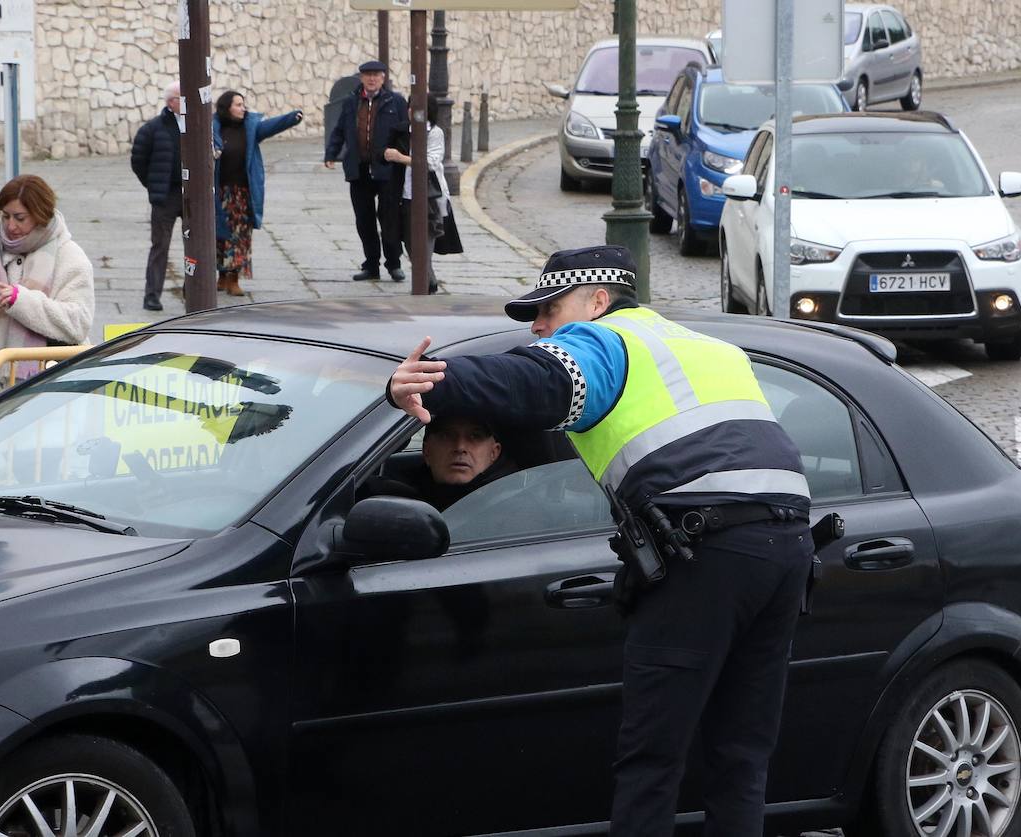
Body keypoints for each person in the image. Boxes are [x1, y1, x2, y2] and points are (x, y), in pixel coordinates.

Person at [388, 245, 815, 837]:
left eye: (548, 311)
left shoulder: (608, 340)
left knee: (651, 758)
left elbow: (535, 382)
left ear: (597, 301)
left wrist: (431, 382)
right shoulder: (708, 348)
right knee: (740, 755)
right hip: (788, 544)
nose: (538, 328)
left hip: (705, 549)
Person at [0, 175, 94, 412]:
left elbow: (78, 322)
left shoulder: (71, 257)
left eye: (20, 218)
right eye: (5, 216)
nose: (10, 226)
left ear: (40, 216)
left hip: (46, 388)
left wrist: (20, 300)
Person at [324, 60, 411, 283]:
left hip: (387, 170)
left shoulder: (396, 102)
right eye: (367, 75)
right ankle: (371, 264)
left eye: (376, 75)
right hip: (359, 168)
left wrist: (402, 156)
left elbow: (405, 133)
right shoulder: (351, 102)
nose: (372, 79)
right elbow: (340, 130)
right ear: (361, 78)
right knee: (364, 220)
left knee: (389, 219)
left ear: (383, 78)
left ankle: (394, 264)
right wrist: (331, 153)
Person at [211, 89, 303, 297]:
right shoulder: (214, 127)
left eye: (243, 104)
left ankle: (234, 277)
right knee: (220, 235)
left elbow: (270, 127)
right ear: (227, 108)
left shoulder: (250, 127)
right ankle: (222, 275)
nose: (242, 108)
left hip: (243, 193)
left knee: (240, 236)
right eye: (238, 105)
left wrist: (291, 118)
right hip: (221, 193)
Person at [384, 98, 459, 294]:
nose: (412, 111)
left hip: (430, 197)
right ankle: (430, 280)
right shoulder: (401, 130)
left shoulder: (435, 132)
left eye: (418, 108)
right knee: (409, 243)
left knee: (424, 244)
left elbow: (432, 162)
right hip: (405, 194)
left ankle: (422, 286)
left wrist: (401, 158)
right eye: (411, 107)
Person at [129, 80, 182, 312]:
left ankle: (194, 289)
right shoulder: (153, 128)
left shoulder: (198, 123)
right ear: (172, 102)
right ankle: (152, 295)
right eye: (182, 97)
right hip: (166, 196)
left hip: (193, 195)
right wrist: (153, 185)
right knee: (160, 246)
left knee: (198, 246)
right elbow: (138, 160)